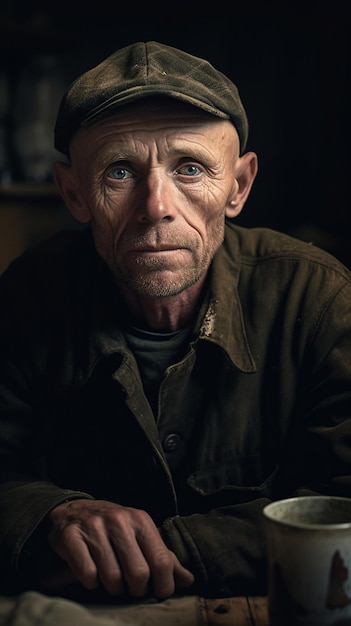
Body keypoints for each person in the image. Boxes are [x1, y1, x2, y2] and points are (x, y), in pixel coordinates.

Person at [0, 40, 350, 605]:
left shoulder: (318, 299)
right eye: (119, 171)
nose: (156, 205)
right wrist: (51, 517)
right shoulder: (29, 296)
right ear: (73, 192)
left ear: (238, 186)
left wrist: (165, 551)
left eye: (190, 168)